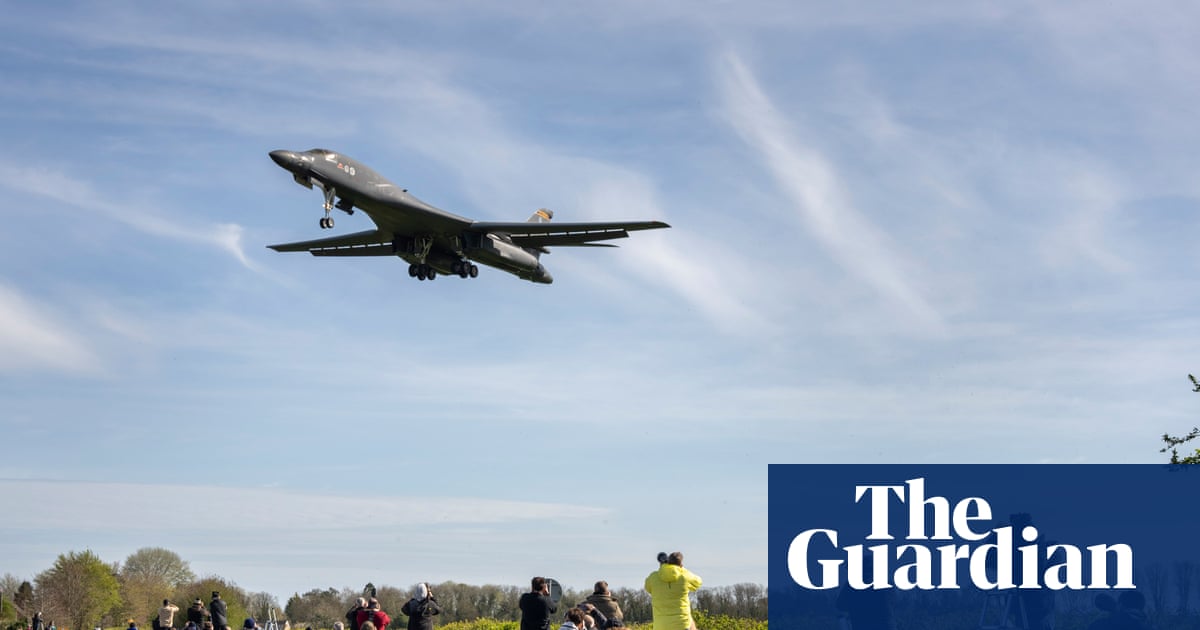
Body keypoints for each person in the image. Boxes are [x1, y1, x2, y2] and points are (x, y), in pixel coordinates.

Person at [644, 552, 702, 630]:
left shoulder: (653, 577)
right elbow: (698, 582)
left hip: (660, 625)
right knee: (690, 622)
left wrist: (663, 567)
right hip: (682, 624)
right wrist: (681, 569)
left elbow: (647, 588)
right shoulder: (684, 576)